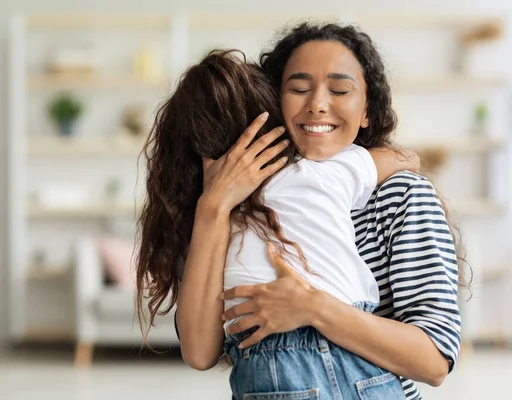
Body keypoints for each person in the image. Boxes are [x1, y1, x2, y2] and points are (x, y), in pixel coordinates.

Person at [137, 22, 463, 400]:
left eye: (340, 90)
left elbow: (435, 362)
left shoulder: (401, 194)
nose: (318, 104)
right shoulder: (230, 203)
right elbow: (199, 351)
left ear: (367, 111)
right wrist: (214, 206)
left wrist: (312, 307)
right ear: (273, 102)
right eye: (298, 88)